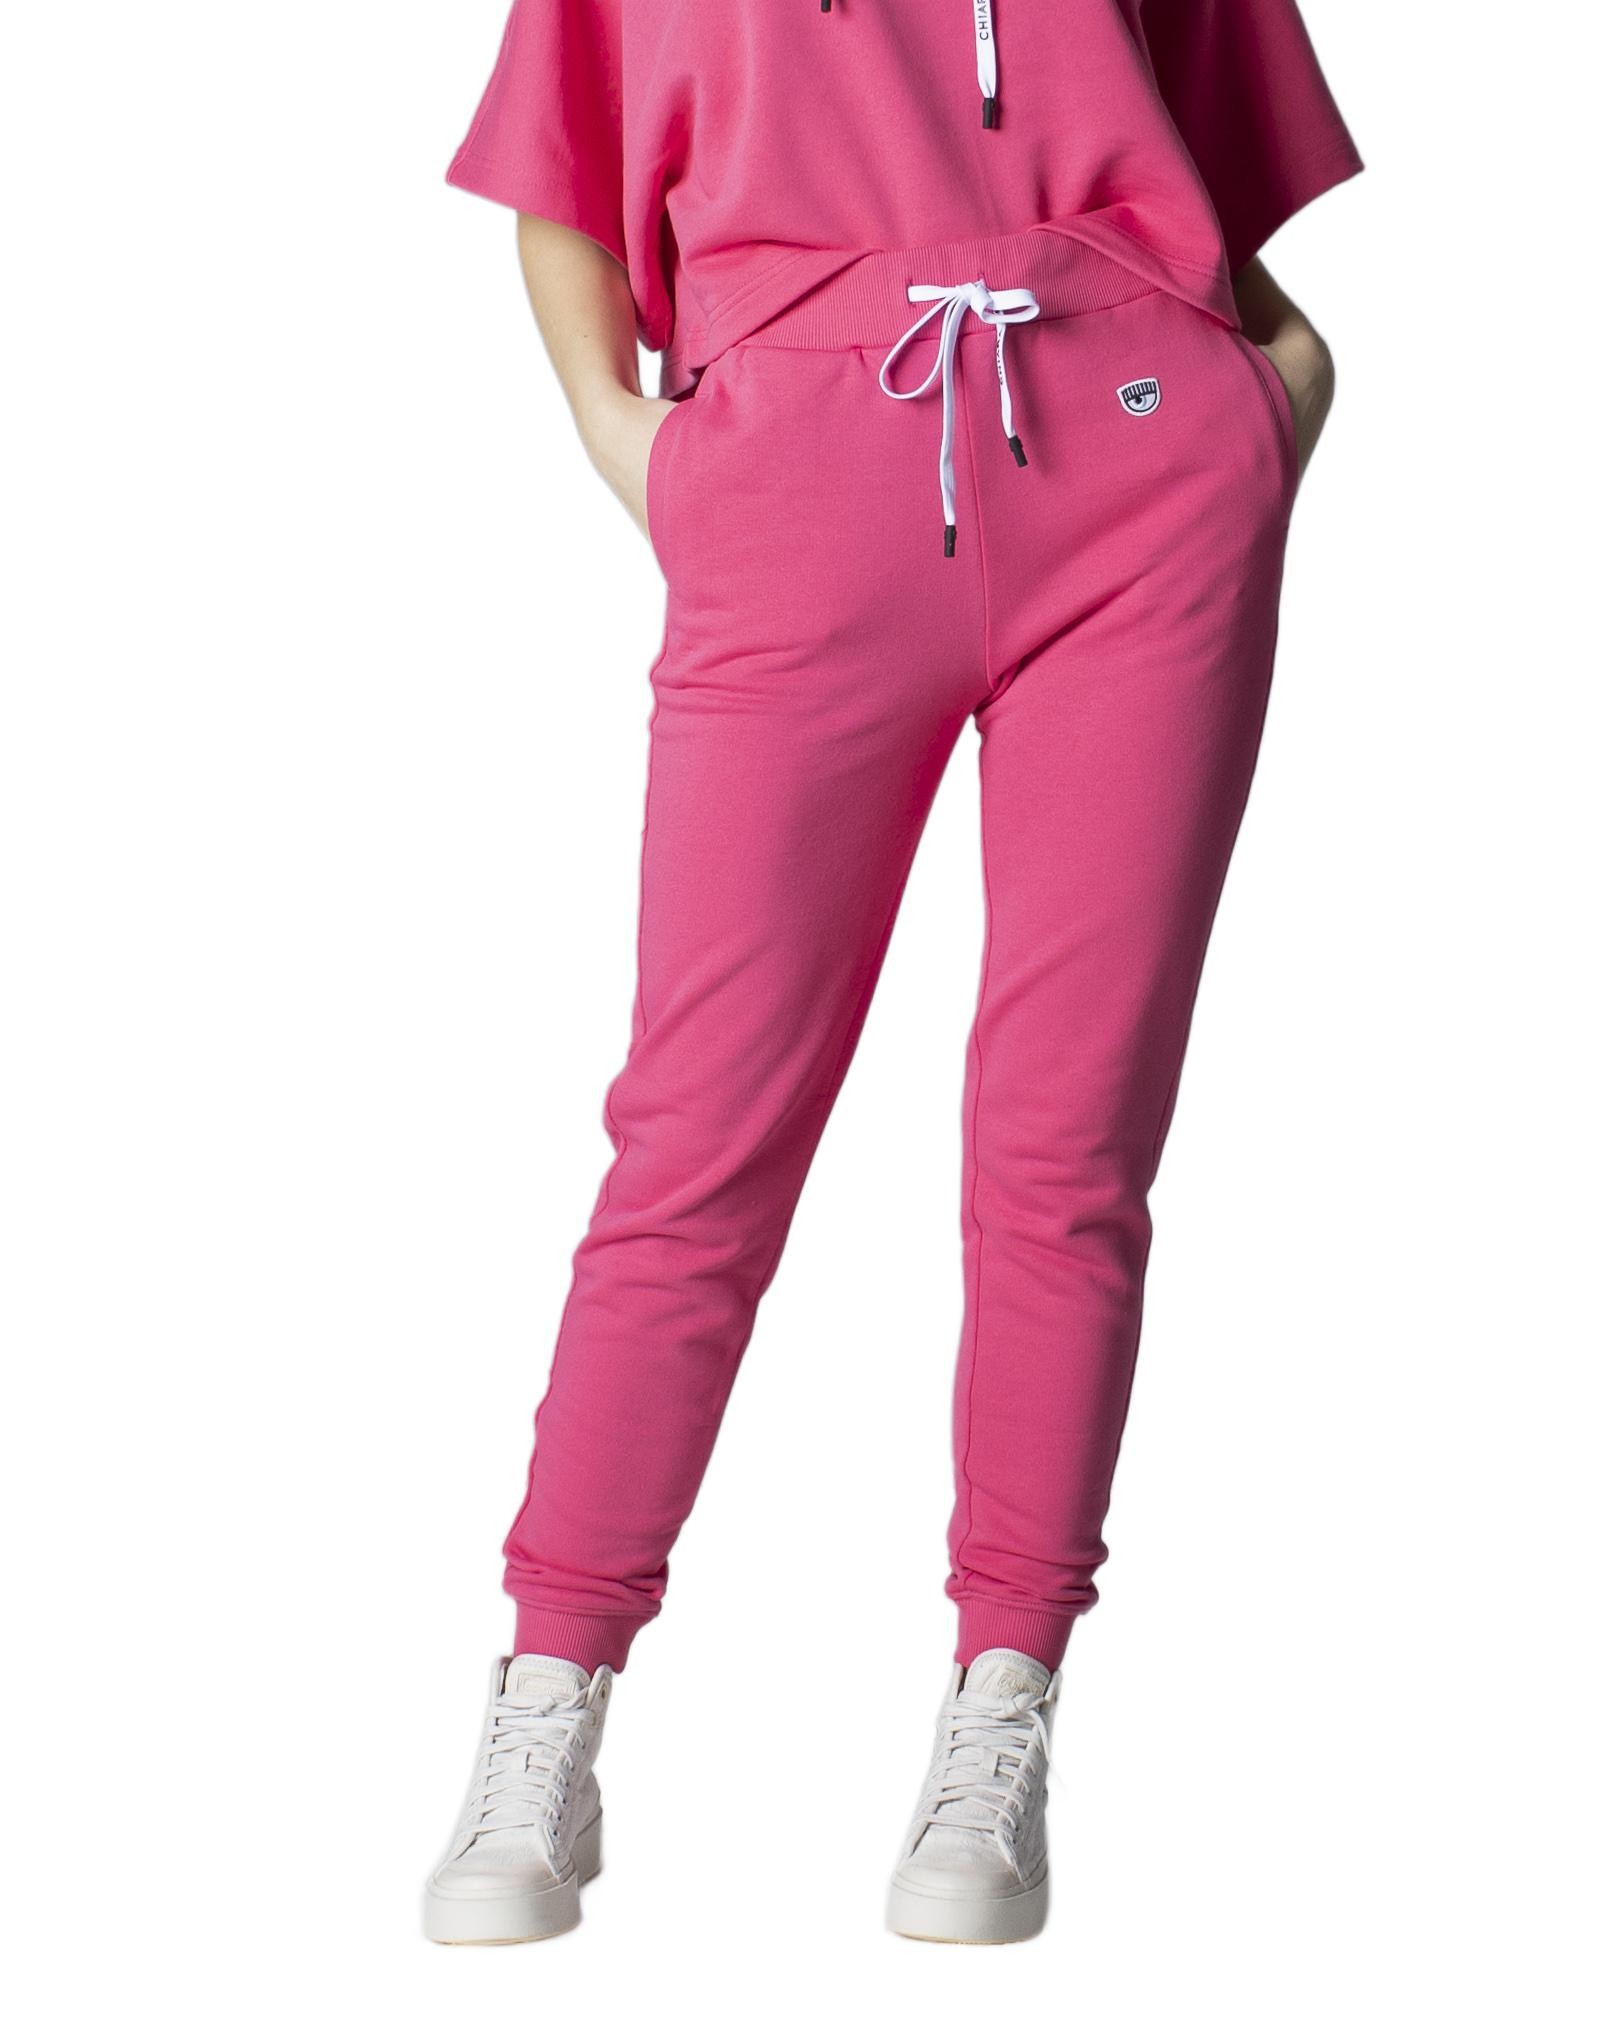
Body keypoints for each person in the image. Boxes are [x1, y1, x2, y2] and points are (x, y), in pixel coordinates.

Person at [422, 0, 1360, 1948]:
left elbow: (1216, 154)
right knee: (696, 1138)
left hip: (1141, 479)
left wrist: (1273, 391)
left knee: (1066, 1147)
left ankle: (999, 1710)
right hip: (796, 484)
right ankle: (547, 1704)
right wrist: (636, 446)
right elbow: (562, 174)